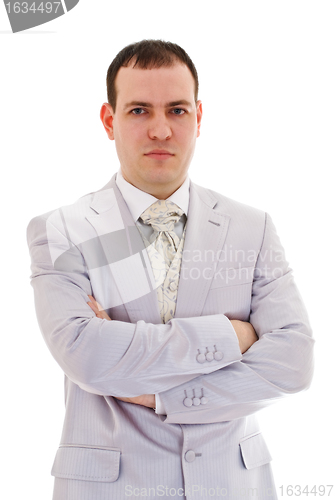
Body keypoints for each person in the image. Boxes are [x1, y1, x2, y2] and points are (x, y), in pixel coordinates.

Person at [27, 39, 314, 500]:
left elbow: (293, 363)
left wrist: (158, 396)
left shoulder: (251, 228)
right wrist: (232, 337)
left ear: (199, 117)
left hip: (234, 486)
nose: (160, 130)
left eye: (177, 110)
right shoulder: (63, 231)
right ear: (109, 120)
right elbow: (86, 355)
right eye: (139, 110)